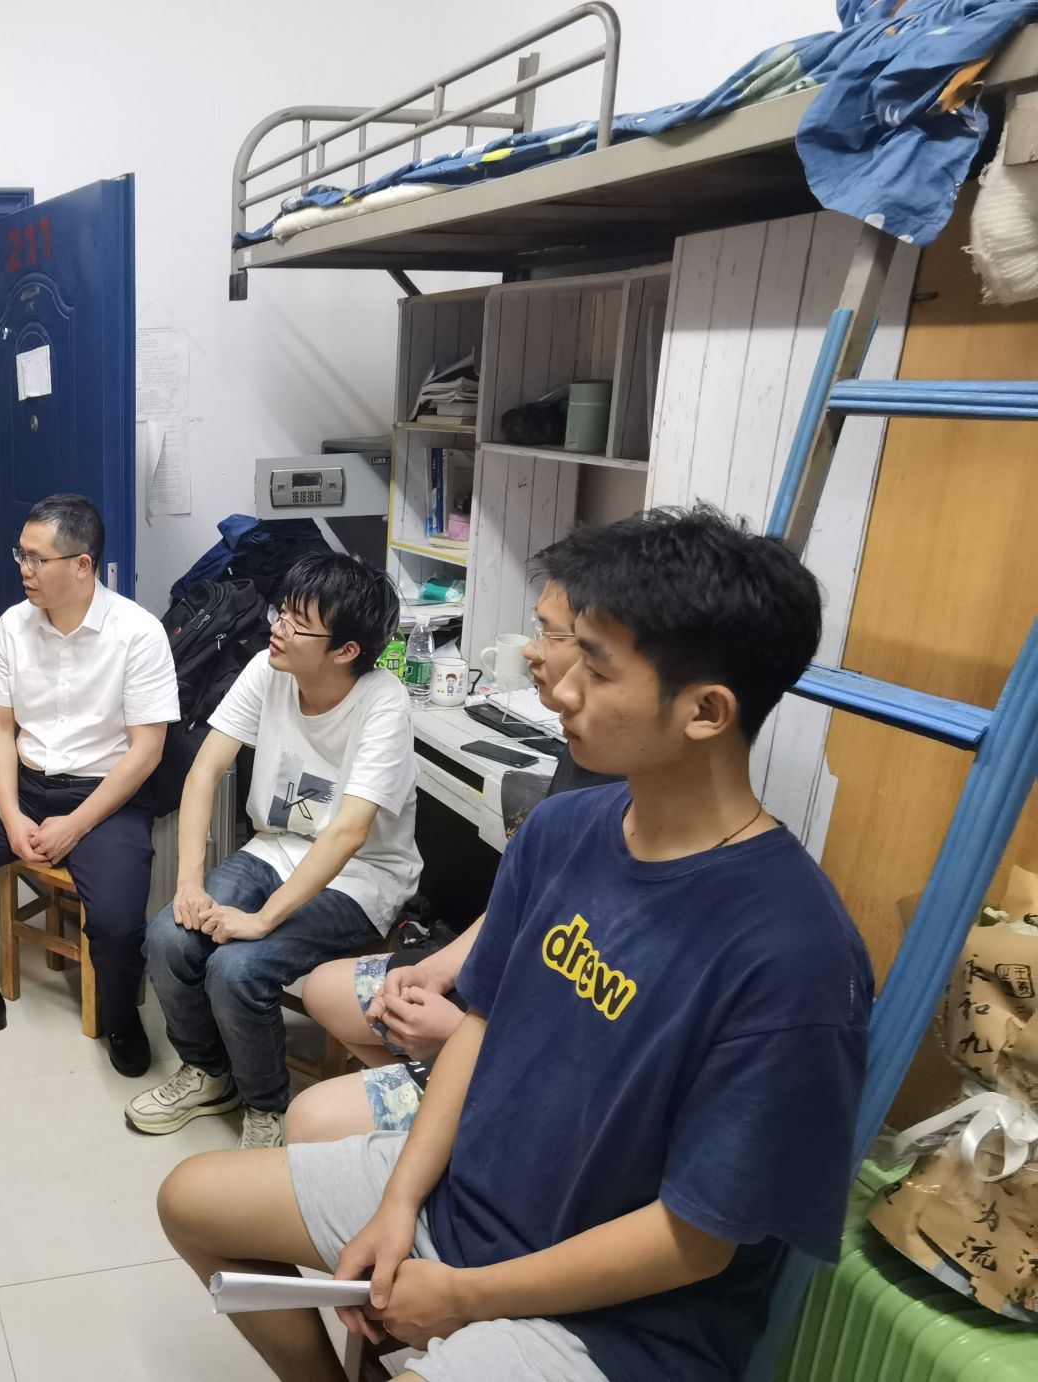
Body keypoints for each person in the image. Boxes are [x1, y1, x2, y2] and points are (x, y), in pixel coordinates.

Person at [157, 506, 871, 1382]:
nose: (557, 687)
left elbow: (695, 1241)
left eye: (594, 668)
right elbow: (481, 1025)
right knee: (191, 1200)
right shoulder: (565, 832)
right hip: (466, 1198)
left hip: (614, 1319)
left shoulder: (794, 954)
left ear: (706, 711)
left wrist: (464, 1295)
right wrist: (400, 1201)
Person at [289, 575, 620, 1143]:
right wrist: (438, 970)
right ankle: (439, 1107)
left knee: (312, 1120)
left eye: (553, 635)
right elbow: (523, 903)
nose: (532, 651)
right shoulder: (583, 753)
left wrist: (465, 1036)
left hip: (522, 1043)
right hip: (496, 988)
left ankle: (454, 1115)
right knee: (322, 989)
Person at [128, 554, 417, 1151]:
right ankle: (208, 1073)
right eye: (281, 612)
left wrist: (261, 920)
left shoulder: (383, 701)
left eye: (297, 623)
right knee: (168, 937)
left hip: (359, 877)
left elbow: (349, 833)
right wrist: (189, 882)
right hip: (275, 849)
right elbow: (204, 770)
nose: (277, 628)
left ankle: (266, 1106)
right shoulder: (268, 668)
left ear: (346, 651)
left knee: (238, 969)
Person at [0, 494, 178, 1071]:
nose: (24, 569)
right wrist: (12, 815)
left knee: (116, 922)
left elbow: (147, 751)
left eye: (37, 558)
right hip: (28, 789)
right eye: (21, 554)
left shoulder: (138, 633)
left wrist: (75, 825)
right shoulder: (12, 627)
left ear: (83, 564)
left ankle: (121, 1018)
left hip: (106, 799)